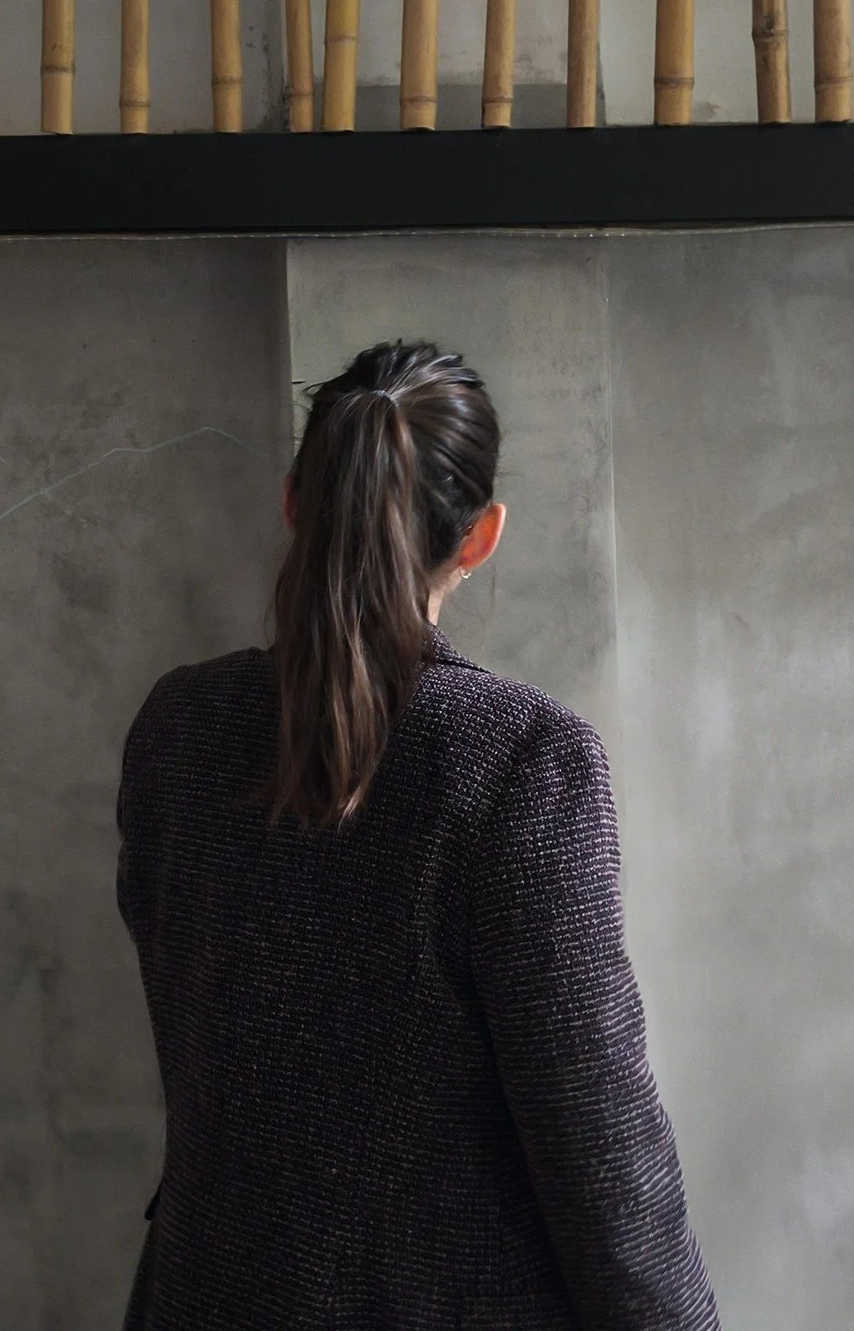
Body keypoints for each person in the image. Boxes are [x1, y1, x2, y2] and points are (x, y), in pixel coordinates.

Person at [115, 341, 721, 1330]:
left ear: (291, 506)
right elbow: (599, 1149)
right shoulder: (522, 760)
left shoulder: (177, 728)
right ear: (482, 537)